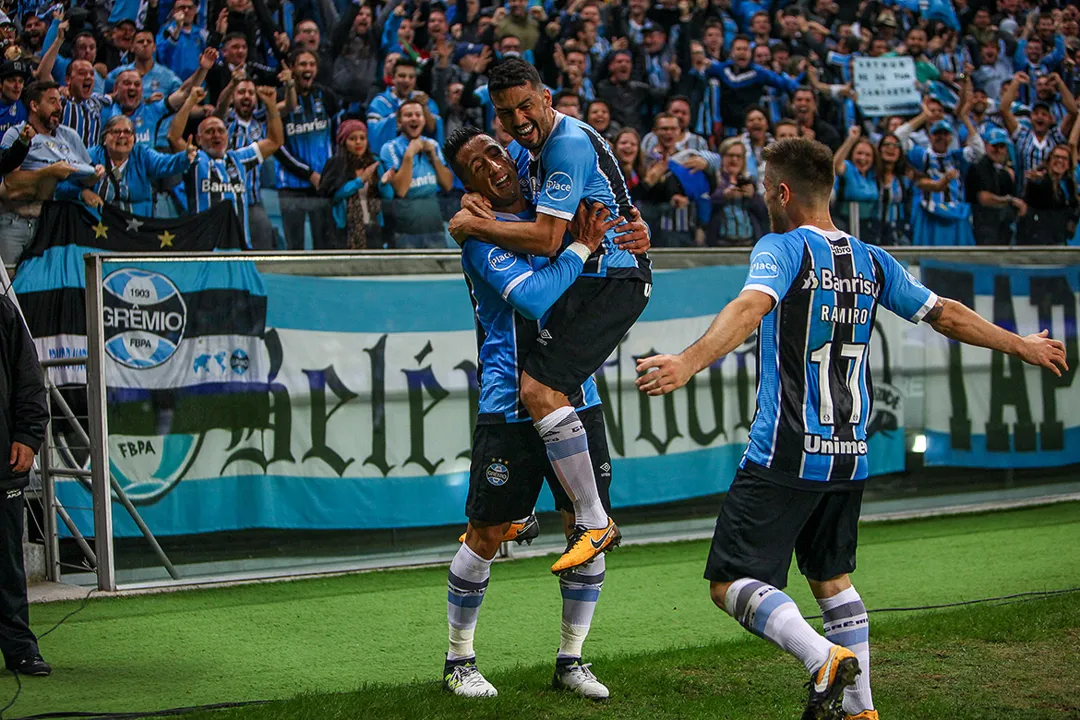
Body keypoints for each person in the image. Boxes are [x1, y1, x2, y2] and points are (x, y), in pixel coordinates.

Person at [634, 137, 1069, 720]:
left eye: (765, 187)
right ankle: (862, 710)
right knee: (831, 577)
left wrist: (687, 361)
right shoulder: (872, 259)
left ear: (783, 193)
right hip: (849, 452)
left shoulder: (782, 247)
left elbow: (749, 307)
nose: (763, 195)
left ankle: (821, 659)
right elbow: (944, 312)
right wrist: (1020, 344)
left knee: (730, 581)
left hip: (786, 451)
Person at [449, 57, 651, 575]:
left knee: (539, 391)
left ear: (547, 97)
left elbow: (545, 238)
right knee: (540, 391)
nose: (517, 121)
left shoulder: (563, 144)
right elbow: (495, 175)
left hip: (613, 278)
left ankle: (592, 519)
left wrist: (474, 229)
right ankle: (521, 511)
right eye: (505, 113)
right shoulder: (523, 151)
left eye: (524, 106)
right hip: (599, 273)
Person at [440, 125, 620, 700]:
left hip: (576, 395)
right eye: (475, 167)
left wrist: (625, 234)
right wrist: (583, 248)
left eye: (494, 151)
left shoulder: (546, 193)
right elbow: (537, 297)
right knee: (485, 533)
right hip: (510, 406)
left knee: (585, 528)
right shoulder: (478, 239)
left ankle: (571, 659)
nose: (492, 165)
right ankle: (458, 661)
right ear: (468, 186)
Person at [167, 85, 283, 249]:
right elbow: (173, 137)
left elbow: (275, 141)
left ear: (227, 136)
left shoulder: (239, 159)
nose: (216, 135)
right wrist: (190, 102)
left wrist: (271, 106)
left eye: (221, 131)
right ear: (199, 140)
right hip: (204, 248)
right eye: (210, 131)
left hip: (240, 250)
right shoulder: (194, 159)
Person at [0, 290, 49, 677]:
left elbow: (29, 379)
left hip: (2, 461)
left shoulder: (2, 311)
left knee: (6, 564)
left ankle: (20, 649)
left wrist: (29, 435)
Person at [0, 82, 100, 265]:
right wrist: (50, 172)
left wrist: (92, 179)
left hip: (53, 224)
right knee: (8, 285)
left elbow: (85, 176)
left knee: (44, 285)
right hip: (16, 221)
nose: (59, 107)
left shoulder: (70, 136)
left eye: (60, 102)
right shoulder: (15, 134)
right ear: (34, 105)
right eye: (52, 101)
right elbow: (10, 183)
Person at [58, 114, 196, 216]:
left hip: (138, 226)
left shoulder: (142, 154)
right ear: (104, 139)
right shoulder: (90, 156)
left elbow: (164, 163)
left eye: (127, 132)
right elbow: (61, 185)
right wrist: (82, 193)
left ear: (134, 139)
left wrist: (184, 157)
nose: (122, 136)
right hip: (98, 226)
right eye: (116, 132)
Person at [275, 48, 340, 251]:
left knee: (325, 245)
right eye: (303, 64)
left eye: (312, 64)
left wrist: (329, 174)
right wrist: (308, 173)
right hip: (291, 185)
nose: (308, 69)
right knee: (295, 247)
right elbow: (278, 148)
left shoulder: (326, 96)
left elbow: (338, 137)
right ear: (292, 68)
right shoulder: (279, 99)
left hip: (323, 183)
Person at [380, 99, 454, 248]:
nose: (414, 118)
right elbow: (401, 190)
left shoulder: (432, 145)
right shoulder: (389, 148)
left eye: (418, 115)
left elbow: (447, 185)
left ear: (424, 120)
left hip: (434, 225)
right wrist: (409, 155)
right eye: (408, 115)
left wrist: (433, 156)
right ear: (399, 121)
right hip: (404, 230)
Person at [319, 118, 382, 248]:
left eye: (362, 138)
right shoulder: (336, 164)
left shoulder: (374, 162)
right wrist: (360, 181)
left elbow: (387, 196)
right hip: (345, 230)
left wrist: (385, 182)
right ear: (344, 142)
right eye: (352, 139)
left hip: (373, 227)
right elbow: (333, 196)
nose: (358, 142)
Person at [965, 126, 1026, 246]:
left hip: (1002, 228)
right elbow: (984, 198)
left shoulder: (1005, 174)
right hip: (981, 227)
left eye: (1001, 146)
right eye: (994, 146)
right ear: (986, 146)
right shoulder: (978, 167)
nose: (998, 150)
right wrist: (1009, 200)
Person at [708, 136, 765, 246]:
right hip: (721, 241)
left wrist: (753, 196)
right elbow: (705, 205)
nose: (734, 160)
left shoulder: (749, 181)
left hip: (749, 241)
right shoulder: (713, 179)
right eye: (730, 155)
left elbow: (762, 212)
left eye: (738, 156)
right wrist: (723, 195)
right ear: (722, 157)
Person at [1020, 143, 1078, 245]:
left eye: (1064, 158)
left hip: (1059, 237)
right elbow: (1038, 190)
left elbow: (1074, 205)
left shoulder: (1069, 183)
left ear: (1069, 164)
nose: (1060, 161)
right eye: (1057, 157)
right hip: (1036, 238)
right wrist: (1037, 181)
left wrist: (1072, 221)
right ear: (1049, 160)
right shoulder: (1041, 179)